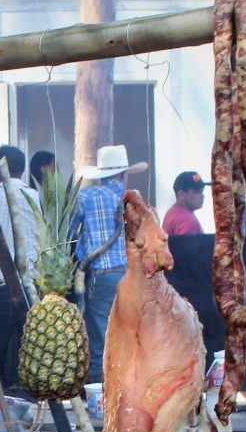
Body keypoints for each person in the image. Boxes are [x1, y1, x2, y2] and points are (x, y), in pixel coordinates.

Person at [70, 144, 148, 381]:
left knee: (99, 336)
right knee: (127, 333)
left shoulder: (86, 196)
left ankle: (99, 390)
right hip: (130, 277)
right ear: (124, 175)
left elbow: (67, 235)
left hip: (101, 276)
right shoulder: (133, 201)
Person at [0, 144, 40, 389]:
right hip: (31, 290)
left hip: (0, 290)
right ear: (21, 171)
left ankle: (1, 406)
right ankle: (34, 408)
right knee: (32, 358)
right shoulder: (36, 198)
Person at [161, 170, 211, 236]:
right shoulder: (186, 220)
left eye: (202, 192)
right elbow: (188, 246)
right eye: (197, 192)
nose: (202, 196)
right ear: (181, 194)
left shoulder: (172, 212)